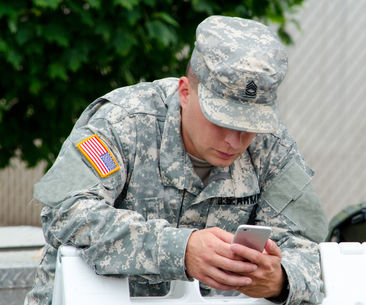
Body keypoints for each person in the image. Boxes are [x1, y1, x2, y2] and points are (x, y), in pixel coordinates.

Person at [25, 15, 328, 305]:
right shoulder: (122, 122)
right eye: (221, 121)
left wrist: (280, 280)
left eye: (249, 126)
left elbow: (307, 244)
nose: (235, 141)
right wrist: (179, 249)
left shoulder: (272, 146)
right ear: (185, 91)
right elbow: (64, 211)